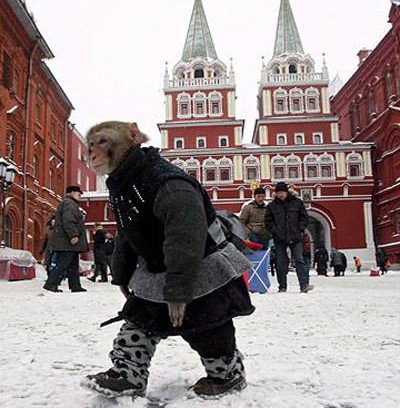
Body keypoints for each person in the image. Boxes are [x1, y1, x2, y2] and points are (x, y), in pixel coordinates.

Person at [82, 121, 254, 399]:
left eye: (102, 142)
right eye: (90, 145)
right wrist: (123, 275)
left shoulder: (166, 182)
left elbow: (185, 238)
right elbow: (128, 230)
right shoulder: (125, 182)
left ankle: (227, 375)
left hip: (201, 266)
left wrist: (178, 290)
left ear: (133, 135)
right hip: (161, 265)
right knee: (137, 320)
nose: (92, 152)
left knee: (207, 327)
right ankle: (128, 375)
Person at [264, 182, 311, 293]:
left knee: (299, 260)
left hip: (295, 237)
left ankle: (304, 284)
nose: (280, 194)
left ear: (286, 192)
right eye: (278, 192)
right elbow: (268, 222)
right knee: (280, 262)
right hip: (280, 238)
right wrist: (275, 231)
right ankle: (282, 286)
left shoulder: (297, 203)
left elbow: (304, 217)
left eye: (282, 192)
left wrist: (300, 229)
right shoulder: (272, 206)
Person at [43, 186, 88, 293]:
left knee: (73, 263)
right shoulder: (69, 204)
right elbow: (69, 220)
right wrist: (73, 235)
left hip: (66, 240)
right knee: (63, 263)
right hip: (67, 241)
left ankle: (75, 285)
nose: (80, 196)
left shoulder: (70, 203)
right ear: (72, 192)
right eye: (78, 193)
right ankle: (51, 284)